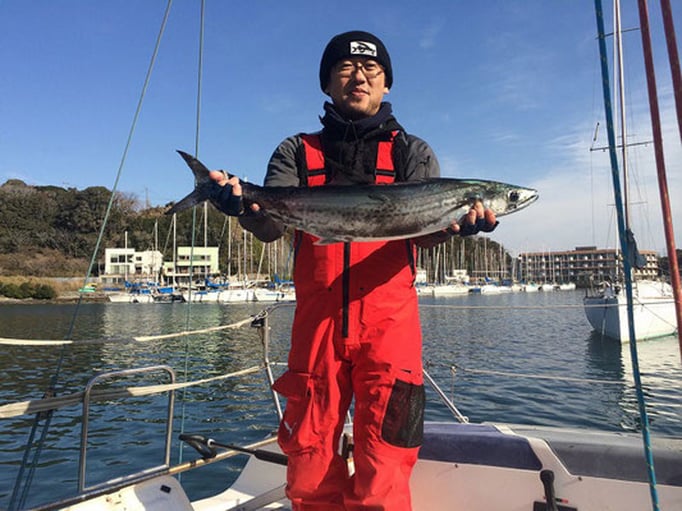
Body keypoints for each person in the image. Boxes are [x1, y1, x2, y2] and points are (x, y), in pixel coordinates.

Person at [208, 30, 497, 511]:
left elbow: (423, 233)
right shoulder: (296, 150)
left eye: (371, 70)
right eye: (345, 69)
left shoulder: (412, 152)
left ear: (386, 83)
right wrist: (243, 208)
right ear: (327, 84)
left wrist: (455, 227)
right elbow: (271, 227)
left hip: (390, 328)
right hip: (317, 326)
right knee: (309, 460)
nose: (358, 77)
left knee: (386, 462)